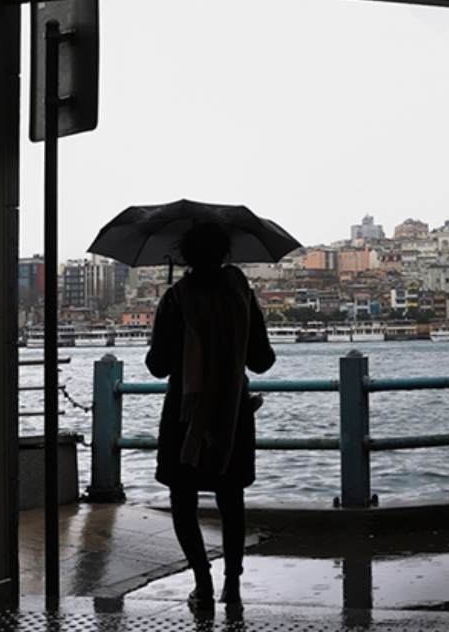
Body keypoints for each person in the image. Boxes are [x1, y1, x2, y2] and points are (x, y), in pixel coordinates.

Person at [145, 222, 276, 610]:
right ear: (225, 255)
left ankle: (202, 583)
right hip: (233, 411)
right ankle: (232, 584)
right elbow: (263, 360)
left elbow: (157, 366)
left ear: (185, 256)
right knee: (231, 499)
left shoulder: (175, 299)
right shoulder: (241, 296)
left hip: (184, 414)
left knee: (183, 499)